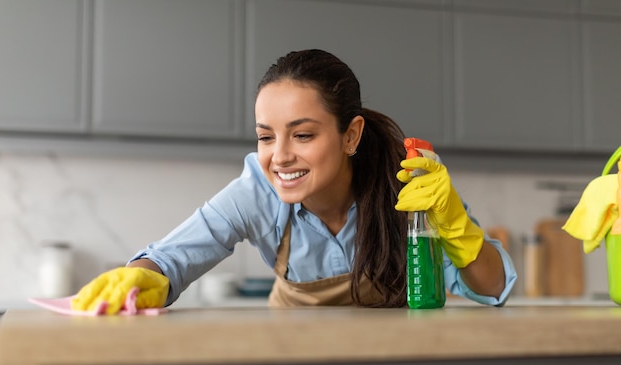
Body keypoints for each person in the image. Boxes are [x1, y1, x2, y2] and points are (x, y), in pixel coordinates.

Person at [72, 49, 517, 314]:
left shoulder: (408, 185)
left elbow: (493, 289)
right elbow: (170, 260)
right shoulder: (257, 191)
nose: (280, 156)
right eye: (266, 136)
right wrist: (139, 280)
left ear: (351, 135)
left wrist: (454, 223)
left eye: (302, 135)